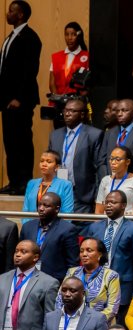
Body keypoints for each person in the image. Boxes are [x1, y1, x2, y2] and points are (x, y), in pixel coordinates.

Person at [84, 191, 133, 322]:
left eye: (113, 202)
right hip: (96, 285)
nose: (108, 205)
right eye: (107, 202)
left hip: (122, 287)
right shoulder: (94, 227)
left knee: (118, 327)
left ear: (123, 205)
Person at [0, 0, 41, 195]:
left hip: (20, 101)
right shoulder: (10, 37)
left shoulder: (30, 37)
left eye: (11, 11)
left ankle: (24, 182)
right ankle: (13, 180)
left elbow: (29, 71)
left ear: (21, 15)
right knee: (10, 141)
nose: (7, 14)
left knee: (22, 140)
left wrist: (19, 97)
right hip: (6, 101)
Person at [46, 98, 104, 214]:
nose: (67, 114)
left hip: (82, 194)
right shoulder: (55, 135)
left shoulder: (94, 134)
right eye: (66, 110)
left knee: (80, 223)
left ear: (82, 114)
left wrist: (98, 195)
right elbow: (49, 162)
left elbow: (99, 166)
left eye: (72, 111)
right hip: (58, 190)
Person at [57, 238, 121, 324]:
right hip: (71, 323)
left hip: (100, 325)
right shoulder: (72, 272)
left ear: (100, 255)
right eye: (81, 251)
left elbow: (112, 309)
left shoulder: (111, 276)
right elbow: (59, 300)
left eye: (89, 250)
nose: (84, 254)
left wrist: (88, 324)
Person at [19, 193, 79, 282]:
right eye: (39, 205)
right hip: (27, 279)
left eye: (46, 206)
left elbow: (72, 263)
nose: (41, 208)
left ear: (57, 209)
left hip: (54, 281)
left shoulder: (67, 229)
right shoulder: (27, 227)